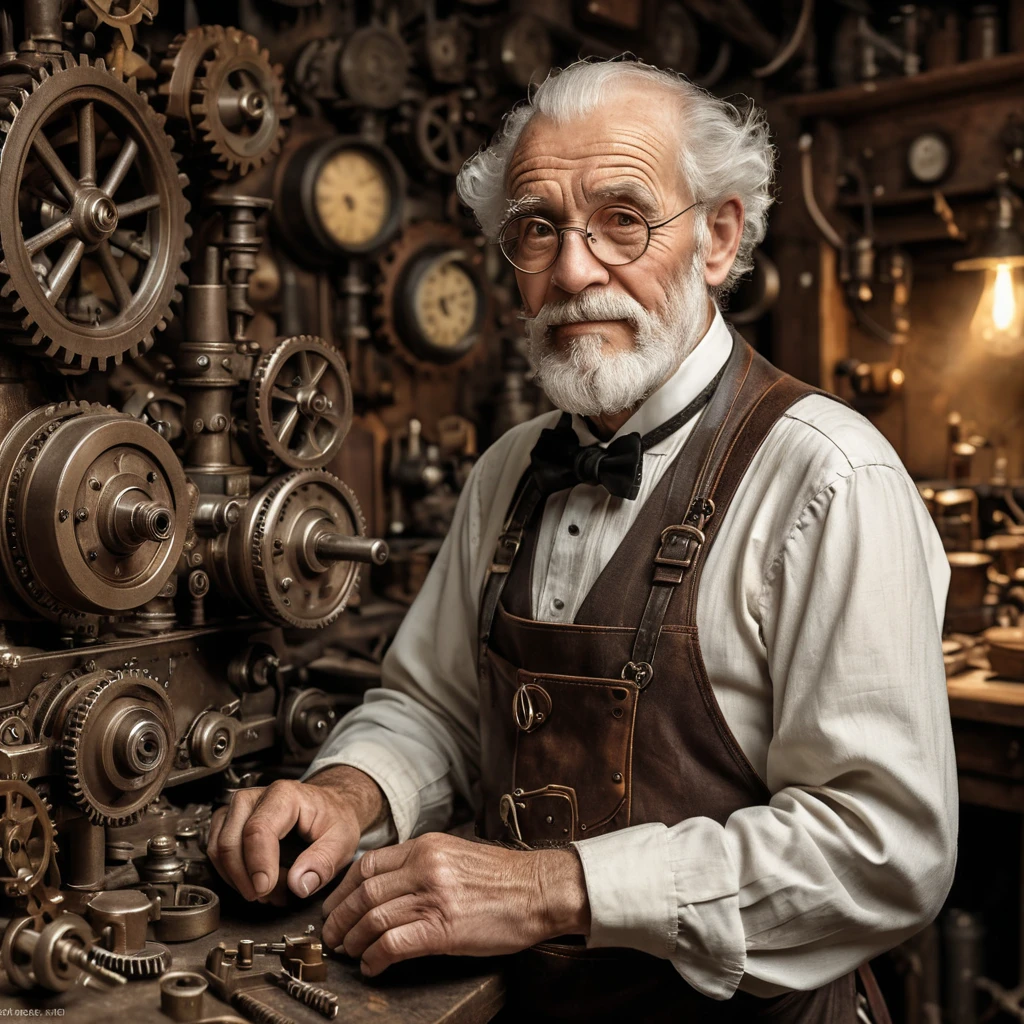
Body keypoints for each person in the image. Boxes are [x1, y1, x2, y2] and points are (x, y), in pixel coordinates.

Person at [207, 58, 958, 1021]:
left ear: (719, 238)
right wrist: (354, 790)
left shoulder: (831, 479)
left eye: (623, 219)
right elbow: (436, 709)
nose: (572, 270)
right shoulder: (509, 469)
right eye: (537, 229)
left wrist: (549, 890)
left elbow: (886, 849)